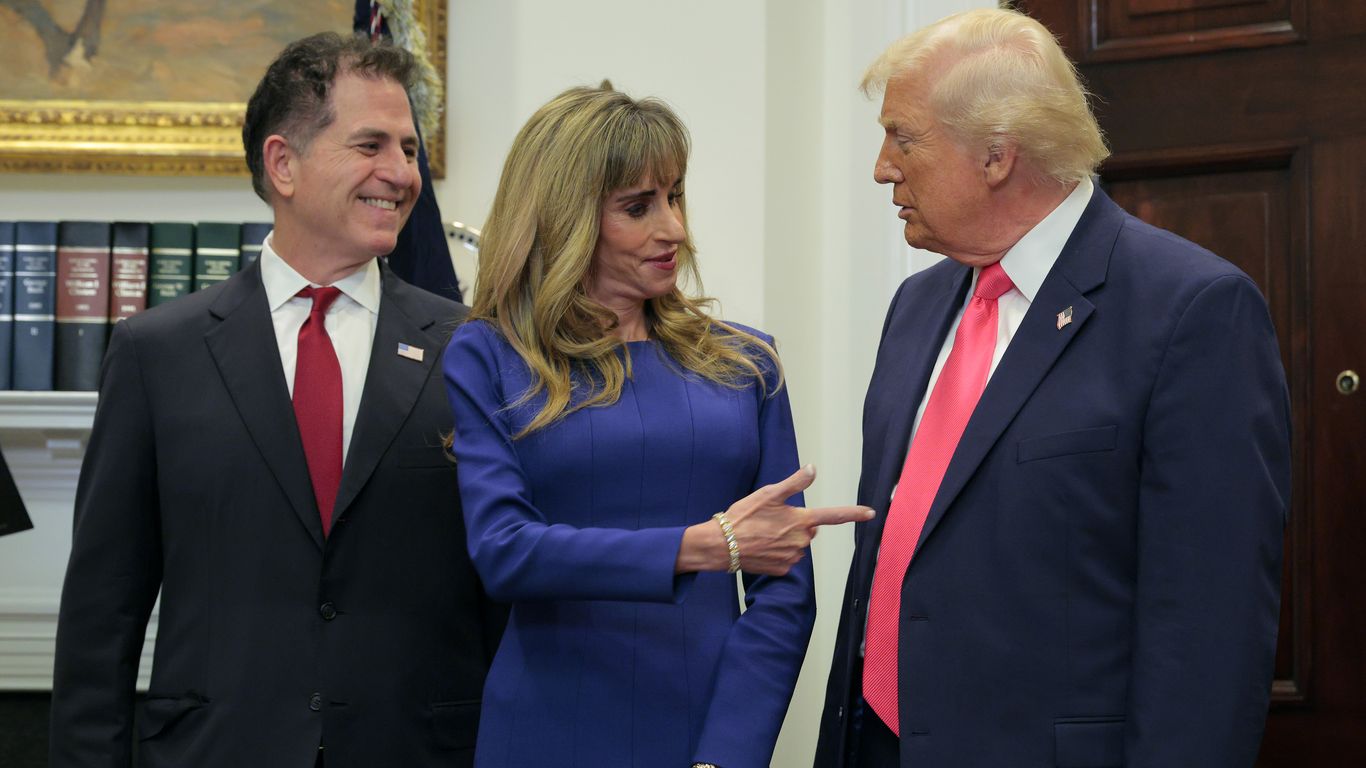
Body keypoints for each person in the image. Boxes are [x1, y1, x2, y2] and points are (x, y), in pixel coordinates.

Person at [816, 9, 1290, 768]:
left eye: (903, 138)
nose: (882, 167)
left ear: (997, 154)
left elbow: (1211, 633)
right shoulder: (917, 305)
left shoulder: (1190, 311)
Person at [50, 32, 503, 768]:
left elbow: (503, 591)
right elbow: (102, 616)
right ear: (283, 163)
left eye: (409, 149)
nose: (402, 173)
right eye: (371, 145)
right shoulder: (155, 354)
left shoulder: (474, 350)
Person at [443, 84, 873, 768]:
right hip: (546, 732)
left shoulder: (747, 363)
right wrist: (699, 547)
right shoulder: (489, 355)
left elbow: (784, 596)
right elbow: (504, 551)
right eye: (638, 206)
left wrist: (725, 756)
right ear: (564, 217)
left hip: (708, 733)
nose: (673, 228)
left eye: (675, 196)